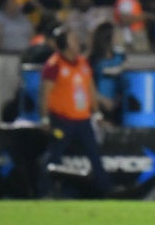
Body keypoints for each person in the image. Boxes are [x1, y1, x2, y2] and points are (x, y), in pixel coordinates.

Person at [37, 26, 111, 198]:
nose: (77, 42)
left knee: (94, 155)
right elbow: (44, 94)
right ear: (65, 44)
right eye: (73, 39)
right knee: (54, 156)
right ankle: (43, 191)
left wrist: (96, 112)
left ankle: (106, 190)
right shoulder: (54, 65)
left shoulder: (82, 62)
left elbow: (90, 89)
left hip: (83, 119)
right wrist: (45, 118)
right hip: (62, 119)